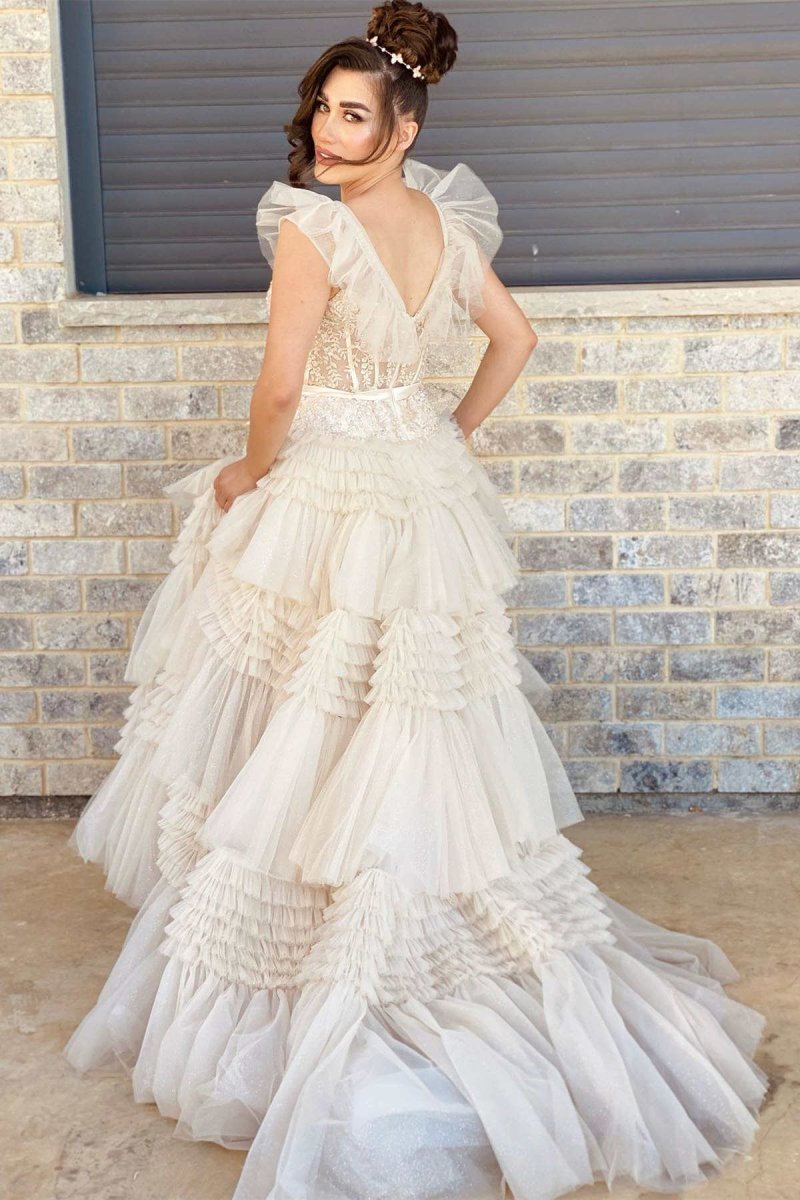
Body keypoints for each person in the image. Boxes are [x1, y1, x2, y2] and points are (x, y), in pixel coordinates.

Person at [63, 3, 768, 1197]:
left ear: (403, 127)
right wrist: (449, 432)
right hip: (418, 481)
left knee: (306, 709)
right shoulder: (444, 223)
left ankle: (334, 942)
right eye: (321, 109)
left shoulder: (313, 229)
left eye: (352, 115)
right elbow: (512, 338)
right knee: (395, 713)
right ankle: (388, 892)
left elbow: (279, 388)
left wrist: (246, 475)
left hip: (331, 483)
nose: (324, 132)